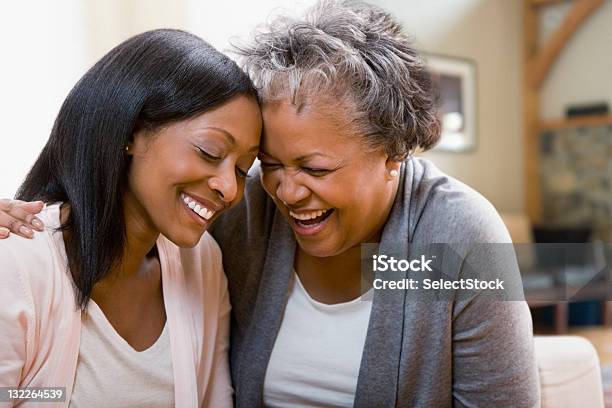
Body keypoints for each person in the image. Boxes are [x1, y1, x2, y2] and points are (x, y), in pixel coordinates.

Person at [0, 1, 539, 407]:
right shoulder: (245, 214)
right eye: (271, 164)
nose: (284, 191)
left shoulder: (457, 236)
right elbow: (128, 201)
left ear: (393, 152)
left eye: (316, 168)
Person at [0, 29, 261, 407]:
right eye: (210, 151)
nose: (230, 188)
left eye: (242, 168)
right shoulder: (18, 263)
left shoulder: (202, 262)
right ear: (132, 133)